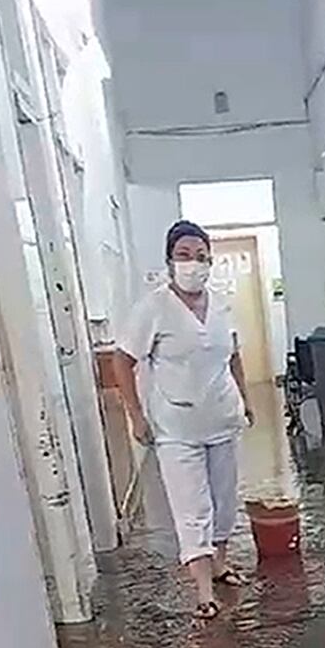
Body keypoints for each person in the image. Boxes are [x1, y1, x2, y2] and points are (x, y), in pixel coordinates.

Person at [114, 220, 254, 620]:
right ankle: (203, 589)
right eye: (184, 256)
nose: (194, 263)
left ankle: (221, 563)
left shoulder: (222, 302)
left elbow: (234, 354)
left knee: (225, 500)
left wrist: (245, 400)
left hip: (223, 417)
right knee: (192, 505)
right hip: (176, 425)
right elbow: (123, 361)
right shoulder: (153, 307)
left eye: (201, 256)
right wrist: (136, 416)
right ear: (169, 261)